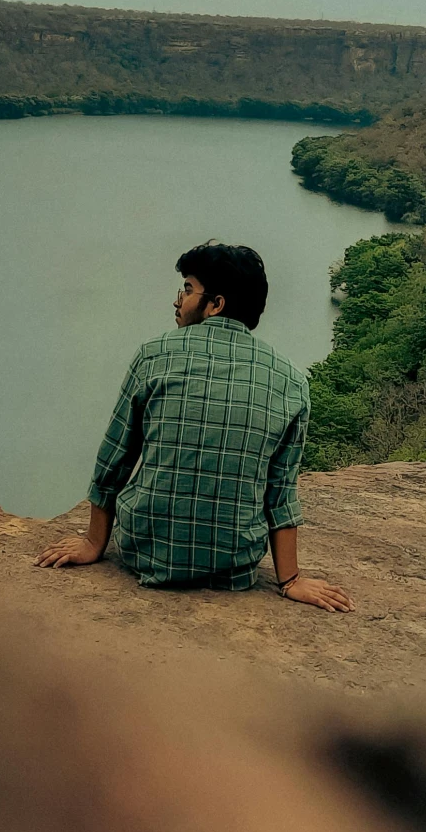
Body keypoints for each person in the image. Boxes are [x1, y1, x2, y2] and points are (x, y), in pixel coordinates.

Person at [36, 241, 353, 611]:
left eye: (187, 289)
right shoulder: (292, 381)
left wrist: (93, 543)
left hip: (146, 550)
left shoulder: (154, 356)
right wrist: (291, 580)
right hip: (233, 566)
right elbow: (280, 492)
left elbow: (114, 461)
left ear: (215, 304)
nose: (177, 300)